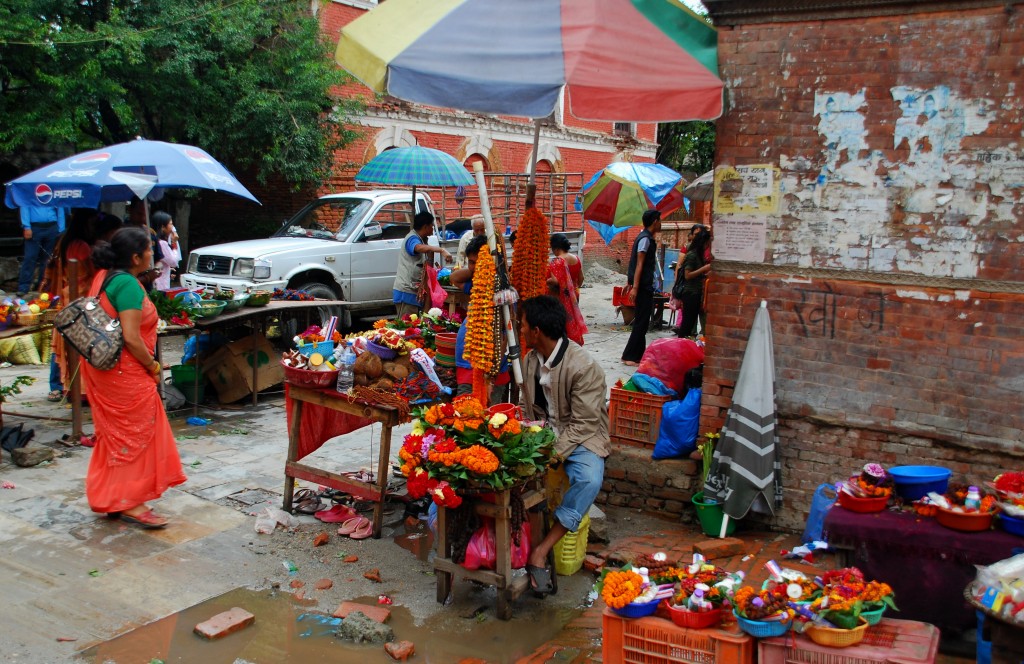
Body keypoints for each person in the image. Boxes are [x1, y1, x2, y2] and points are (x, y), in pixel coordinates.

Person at [82, 226, 186, 528]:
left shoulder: (105, 275)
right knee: (137, 432)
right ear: (136, 256)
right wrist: (153, 367)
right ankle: (132, 502)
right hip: (123, 369)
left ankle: (112, 496)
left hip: (103, 366)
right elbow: (130, 337)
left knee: (114, 435)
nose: (153, 255)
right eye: (150, 251)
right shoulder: (126, 284)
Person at [518, 295, 609, 596]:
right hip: (545, 432)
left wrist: (551, 454)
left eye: (524, 324)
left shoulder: (584, 367)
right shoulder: (530, 360)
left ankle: (541, 551)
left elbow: (584, 424)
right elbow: (525, 406)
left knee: (588, 479)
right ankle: (515, 545)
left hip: (582, 437)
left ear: (537, 331)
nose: (520, 328)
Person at [42, 209, 96, 402]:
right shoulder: (81, 245)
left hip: (67, 297)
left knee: (64, 343)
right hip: (79, 299)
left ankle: (58, 386)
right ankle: (76, 390)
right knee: (79, 345)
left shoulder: (63, 241)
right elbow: (92, 270)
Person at [451, 235, 510, 403]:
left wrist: (491, 375)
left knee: (490, 419)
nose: (474, 267)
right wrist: (475, 269)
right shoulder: (476, 284)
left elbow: (505, 334)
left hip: (490, 368)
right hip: (466, 364)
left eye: (478, 262)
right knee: (466, 415)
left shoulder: (503, 291)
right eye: (470, 262)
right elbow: (454, 278)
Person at [620, 209, 661, 366]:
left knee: (642, 322)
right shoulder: (645, 239)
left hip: (642, 285)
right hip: (643, 287)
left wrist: (630, 283)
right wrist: (635, 287)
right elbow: (639, 264)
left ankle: (637, 356)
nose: (661, 223)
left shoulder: (644, 238)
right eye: (660, 220)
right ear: (655, 221)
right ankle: (630, 356)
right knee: (641, 322)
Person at [393, 211, 451, 318]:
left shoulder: (423, 239)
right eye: (432, 226)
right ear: (425, 226)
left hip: (416, 294)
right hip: (406, 293)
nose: (433, 229)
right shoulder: (412, 238)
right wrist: (441, 250)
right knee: (406, 327)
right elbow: (417, 248)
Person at [546, 233, 587, 345]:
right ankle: (573, 344)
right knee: (572, 319)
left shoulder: (557, 261)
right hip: (574, 295)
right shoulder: (576, 259)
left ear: (556, 248)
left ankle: (563, 345)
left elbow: (556, 281)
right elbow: (581, 278)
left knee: (562, 322)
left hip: (562, 297)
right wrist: (573, 288)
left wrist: (546, 281)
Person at [18, 204, 66, 294]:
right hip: (34, 227)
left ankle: (44, 286)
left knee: (48, 259)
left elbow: (60, 208)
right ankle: (23, 287)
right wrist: (26, 226)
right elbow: (24, 206)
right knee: (30, 257)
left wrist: (61, 229)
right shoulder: (30, 191)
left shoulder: (53, 191)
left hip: (52, 227)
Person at [676, 226, 713, 338]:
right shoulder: (692, 255)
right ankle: (681, 344)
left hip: (697, 291)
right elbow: (687, 275)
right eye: (707, 243)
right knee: (687, 324)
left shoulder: (699, 255)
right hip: (690, 292)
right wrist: (704, 269)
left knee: (690, 322)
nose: (707, 246)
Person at [151, 211, 181, 291]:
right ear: (163, 227)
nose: (172, 227)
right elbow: (173, 262)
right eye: (170, 224)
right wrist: (174, 244)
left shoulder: (156, 241)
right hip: (160, 285)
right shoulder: (162, 243)